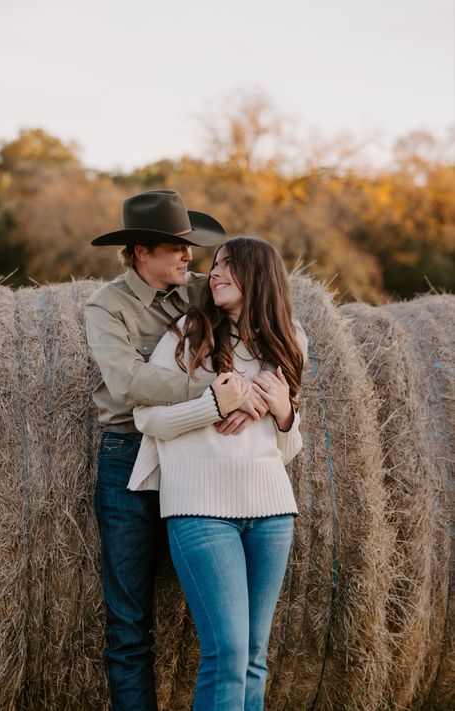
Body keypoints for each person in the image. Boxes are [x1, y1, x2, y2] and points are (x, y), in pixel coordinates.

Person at [85, 190, 265, 711]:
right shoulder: (107, 306)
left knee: (224, 624)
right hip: (128, 456)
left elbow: (272, 321)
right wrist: (210, 395)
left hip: (196, 453)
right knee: (129, 621)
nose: (191, 257)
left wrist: (274, 394)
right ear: (141, 251)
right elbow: (125, 381)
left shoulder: (203, 293)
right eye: (176, 248)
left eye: (191, 247)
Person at [127, 236, 308, 711]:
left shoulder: (289, 337)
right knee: (227, 653)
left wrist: (284, 413)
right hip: (201, 511)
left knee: (253, 658)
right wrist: (211, 406)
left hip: (271, 513)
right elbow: (146, 418)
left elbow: (286, 447)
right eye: (215, 266)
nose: (216, 274)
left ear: (259, 276)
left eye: (229, 266)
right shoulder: (188, 332)